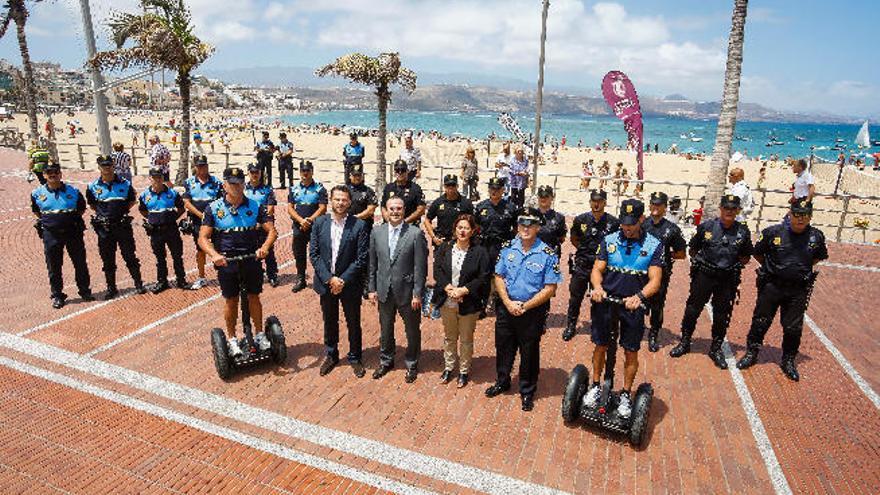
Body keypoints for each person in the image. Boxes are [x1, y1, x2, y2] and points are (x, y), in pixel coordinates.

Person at [583, 199, 663, 418]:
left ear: (641, 219)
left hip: (632, 305)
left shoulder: (653, 245)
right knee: (600, 345)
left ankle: (626, 394)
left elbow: (655, 281)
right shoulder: (608, 240)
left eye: (631, 223)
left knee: (630, 350)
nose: (627, 228)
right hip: (606, 302)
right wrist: (597, 287)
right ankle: (596, 385)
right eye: (624, 223)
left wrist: (639, 297)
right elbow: (597, 269)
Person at [736, 200, 828, 381]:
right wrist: (775, 269)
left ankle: (788, 360)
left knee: (793, 328)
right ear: (790, 214)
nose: (801, 219)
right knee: (761, 321)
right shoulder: (773, 233)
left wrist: (797, 271)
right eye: (797, 214)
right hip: (772, 286)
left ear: (810, 216)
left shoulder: (816, 237)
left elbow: (817, 258)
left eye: (805, 215)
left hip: (797, 290)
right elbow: (758, 254)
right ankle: (751, 353)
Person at [485, 208, 562, 412]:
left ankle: (527, 391)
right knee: (503, 347)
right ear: (517, 226)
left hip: (532, 311)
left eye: (530, 225)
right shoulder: (507, 247)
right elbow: (499, 277)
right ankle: (502, 381)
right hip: (506, 307)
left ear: (537, 227)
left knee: (529, 353)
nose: (525, 229)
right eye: (522, 224)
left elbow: (550, 288)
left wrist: (525, 306)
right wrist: (508, 302)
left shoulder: (547, 253)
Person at [198, 167, 277, 357]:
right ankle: (232, 339)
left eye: (239, 183)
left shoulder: (255, 206)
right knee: (231, 300)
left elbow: (272, 231)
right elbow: (202, 238)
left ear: (244, 184)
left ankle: (259, 334)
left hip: (251, 258)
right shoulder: (214, 208)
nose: (236, 187)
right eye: (232, 184)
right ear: (224, 185)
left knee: (254, 297)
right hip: (227, 261)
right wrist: (214, 255)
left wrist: (265, 247)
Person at [670, 194, 753, 369]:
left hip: (727, 278)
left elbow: (746, 257)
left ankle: (715, 348)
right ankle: (685, 342)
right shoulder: (706, 227)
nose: (729, 211)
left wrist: (731, 266)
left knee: (722, 314)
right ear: (720, 209)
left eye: (733, 208)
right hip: (705, 275)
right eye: (726, 208)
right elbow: (693, 249)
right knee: (693, 309)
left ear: (738, 210)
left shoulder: (743, 231)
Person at [311, 185, 370, 377]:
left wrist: (342, 280)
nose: (340, 203)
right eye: (337, 199)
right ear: (331, 200)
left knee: (353, 322)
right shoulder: (319, 223)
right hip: (326, 282)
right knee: (329, 320)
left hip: (349, 284)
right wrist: (329, 279)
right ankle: (331, 354)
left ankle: (355, 357)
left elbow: (361, 258)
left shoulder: (359, 225)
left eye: (344, 200)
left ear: (350, 202)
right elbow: (315, 254)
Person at [369, 196, 428, 382]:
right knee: (385, 329)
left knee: (412, 330)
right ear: (385, 211)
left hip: (408, 292)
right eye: (391, 208)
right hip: (384, 290)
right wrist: (372, 288)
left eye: (399, 209)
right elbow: (372, 264)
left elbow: (420, 267)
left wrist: (417, 293)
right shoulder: (376, 233)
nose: (395, 212)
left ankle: (412, 363)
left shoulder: (415, 233)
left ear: (404, 211)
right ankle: (386, 361)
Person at [432, 214, 490, 388]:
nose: (462, 231)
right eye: (459, 227)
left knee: (465, 339)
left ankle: (464, 370)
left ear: (472, 231)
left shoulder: (480, 252)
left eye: (466, 228)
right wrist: (447, 287)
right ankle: (449, 367)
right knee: (449, 337)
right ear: (455, 229)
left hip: (468, 301)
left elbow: (483, 277)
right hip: (447, 300)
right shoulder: (445, 248)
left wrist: (464, 290)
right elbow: (438, 270)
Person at [31, 162, 93, 309]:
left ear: (60, 174)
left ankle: (84, 291)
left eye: (56, 172)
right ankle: (57, 295)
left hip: (73, 232)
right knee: (54, 266)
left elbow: (81, 208)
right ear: (44, 175)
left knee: (80, 263)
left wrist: (67, 220)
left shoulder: (73, 191)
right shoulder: (37, 194)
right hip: (51, 235)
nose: (53, 175)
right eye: (49, 172)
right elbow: (37, 212)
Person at [563, 189, 620, 341]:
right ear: (590, 202)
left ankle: (598, 326)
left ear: (605, 203)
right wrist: (585, 252)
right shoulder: (581, 220)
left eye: (600, 201)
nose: (596, 204)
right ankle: (571, 325)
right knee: (575, 297)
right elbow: (574, 239)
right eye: (594, 200)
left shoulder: (613, 223)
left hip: (602, 268)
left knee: (600, 298)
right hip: (583, 264)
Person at [86, 155, 145, 299]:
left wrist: (119, 212)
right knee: (108, 259)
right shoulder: (93, 187)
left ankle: (138, 284)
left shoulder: (124, 184)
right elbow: (93, 205)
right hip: (104, 229)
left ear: (113, 166)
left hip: (122, 227)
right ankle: (111, 288)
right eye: (104, 165)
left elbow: (131, 201)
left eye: (109, 165)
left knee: (130, 256)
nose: (107, 168)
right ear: (99, 167)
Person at [641, 192, 687, 352]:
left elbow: (681, 254)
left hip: (661, 273)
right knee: (638, 301)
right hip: (640, 272)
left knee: (657, 305)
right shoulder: (642, 224)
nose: (655, 207)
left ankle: (653, 334)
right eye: (653, 204)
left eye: (659, 205)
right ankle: (637, 329)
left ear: (665, 207)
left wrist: (665, 255)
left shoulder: (672, 229)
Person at [138, 167, 188, 293]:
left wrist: (171, 219)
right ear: (150, 178)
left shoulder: (172, 193)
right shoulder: (145, 195)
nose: (157, 179)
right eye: (154, 177)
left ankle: (181, 280)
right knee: (160, 257)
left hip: (171, 229)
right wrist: (153, 219)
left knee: (177, 256)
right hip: (155, 231)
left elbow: (181, 208)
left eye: (159, 177)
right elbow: (143, 210)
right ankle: (162, 282)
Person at [474, 177, 518, 316]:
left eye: (497, 189)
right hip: (485, 246)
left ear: (503, 190)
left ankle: (500, 304)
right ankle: (482, 305)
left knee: (502, 275)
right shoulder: (481, 207)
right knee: (484, 275)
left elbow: (516, 228)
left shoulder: (510, 208)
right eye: (492, 188)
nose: (494, 191)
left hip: (503, 247)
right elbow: (475, 226)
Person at [183, 155, 224, 290]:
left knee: (219, 247)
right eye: (199, 166)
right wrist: (201, 215)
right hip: (198, 222)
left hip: (215, 221)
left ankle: (223, 275)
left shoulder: (216, 182)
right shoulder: (189, 182)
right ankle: (201, 277)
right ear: (195, 167)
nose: (202, 168)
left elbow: (222, 202)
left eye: (204, 165)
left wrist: (212, 216)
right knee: (200, 250)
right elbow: (187, 203)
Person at [288, 160, 328, 292]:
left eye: (308, 170)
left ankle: (320, 279)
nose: (305, 173)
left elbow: (322, 208)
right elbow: (290, 208)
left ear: (312, 171)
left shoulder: (319, 189)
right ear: (299, 172)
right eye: (303, 171)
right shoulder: (294, 189)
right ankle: (301, 279)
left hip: (315, 226)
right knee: (299, 253)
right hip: (299, 226)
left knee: (317, 253)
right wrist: (301, 221)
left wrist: (310, 220)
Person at [244, 163, 279, 287]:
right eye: (252, 172)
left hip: (264, 225)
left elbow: (270, 209)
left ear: (260, 173)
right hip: (248, 225)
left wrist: (259, 222)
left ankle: (272, 275)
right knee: (250, 250)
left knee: (268, 249)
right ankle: (256, 273)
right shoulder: (243, 189)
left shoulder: (267, 189)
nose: (254, 175)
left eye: (257, 172)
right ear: (248, 173)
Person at [425, 174, 474, 248]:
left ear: (457, 186)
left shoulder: (466, 203)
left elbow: (473, 222)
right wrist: (433, 237)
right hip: (442, 242)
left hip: (460, 243)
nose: (451, 188)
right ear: (444, 186)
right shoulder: (438, 202)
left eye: (453, 185)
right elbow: (427, 220)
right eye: (448, 185)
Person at [381, 159, 426, 225]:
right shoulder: (388, 188)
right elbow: (383, 207)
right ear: (394, 172)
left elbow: (421, 209)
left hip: (409, 226)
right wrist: (389, 221)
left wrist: (404, 222)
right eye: (397, 170)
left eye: (403, 170)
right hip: (390, 225)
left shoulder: (415, 189)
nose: (400, 172)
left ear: (407, 171)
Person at [535, 185, 566, 258]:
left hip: (551, 255)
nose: (543, 199)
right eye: (541, 196)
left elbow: (561, 237)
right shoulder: (530, 216)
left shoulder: (559, 218)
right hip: (533, 255)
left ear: (552, 197)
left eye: (546, 196)